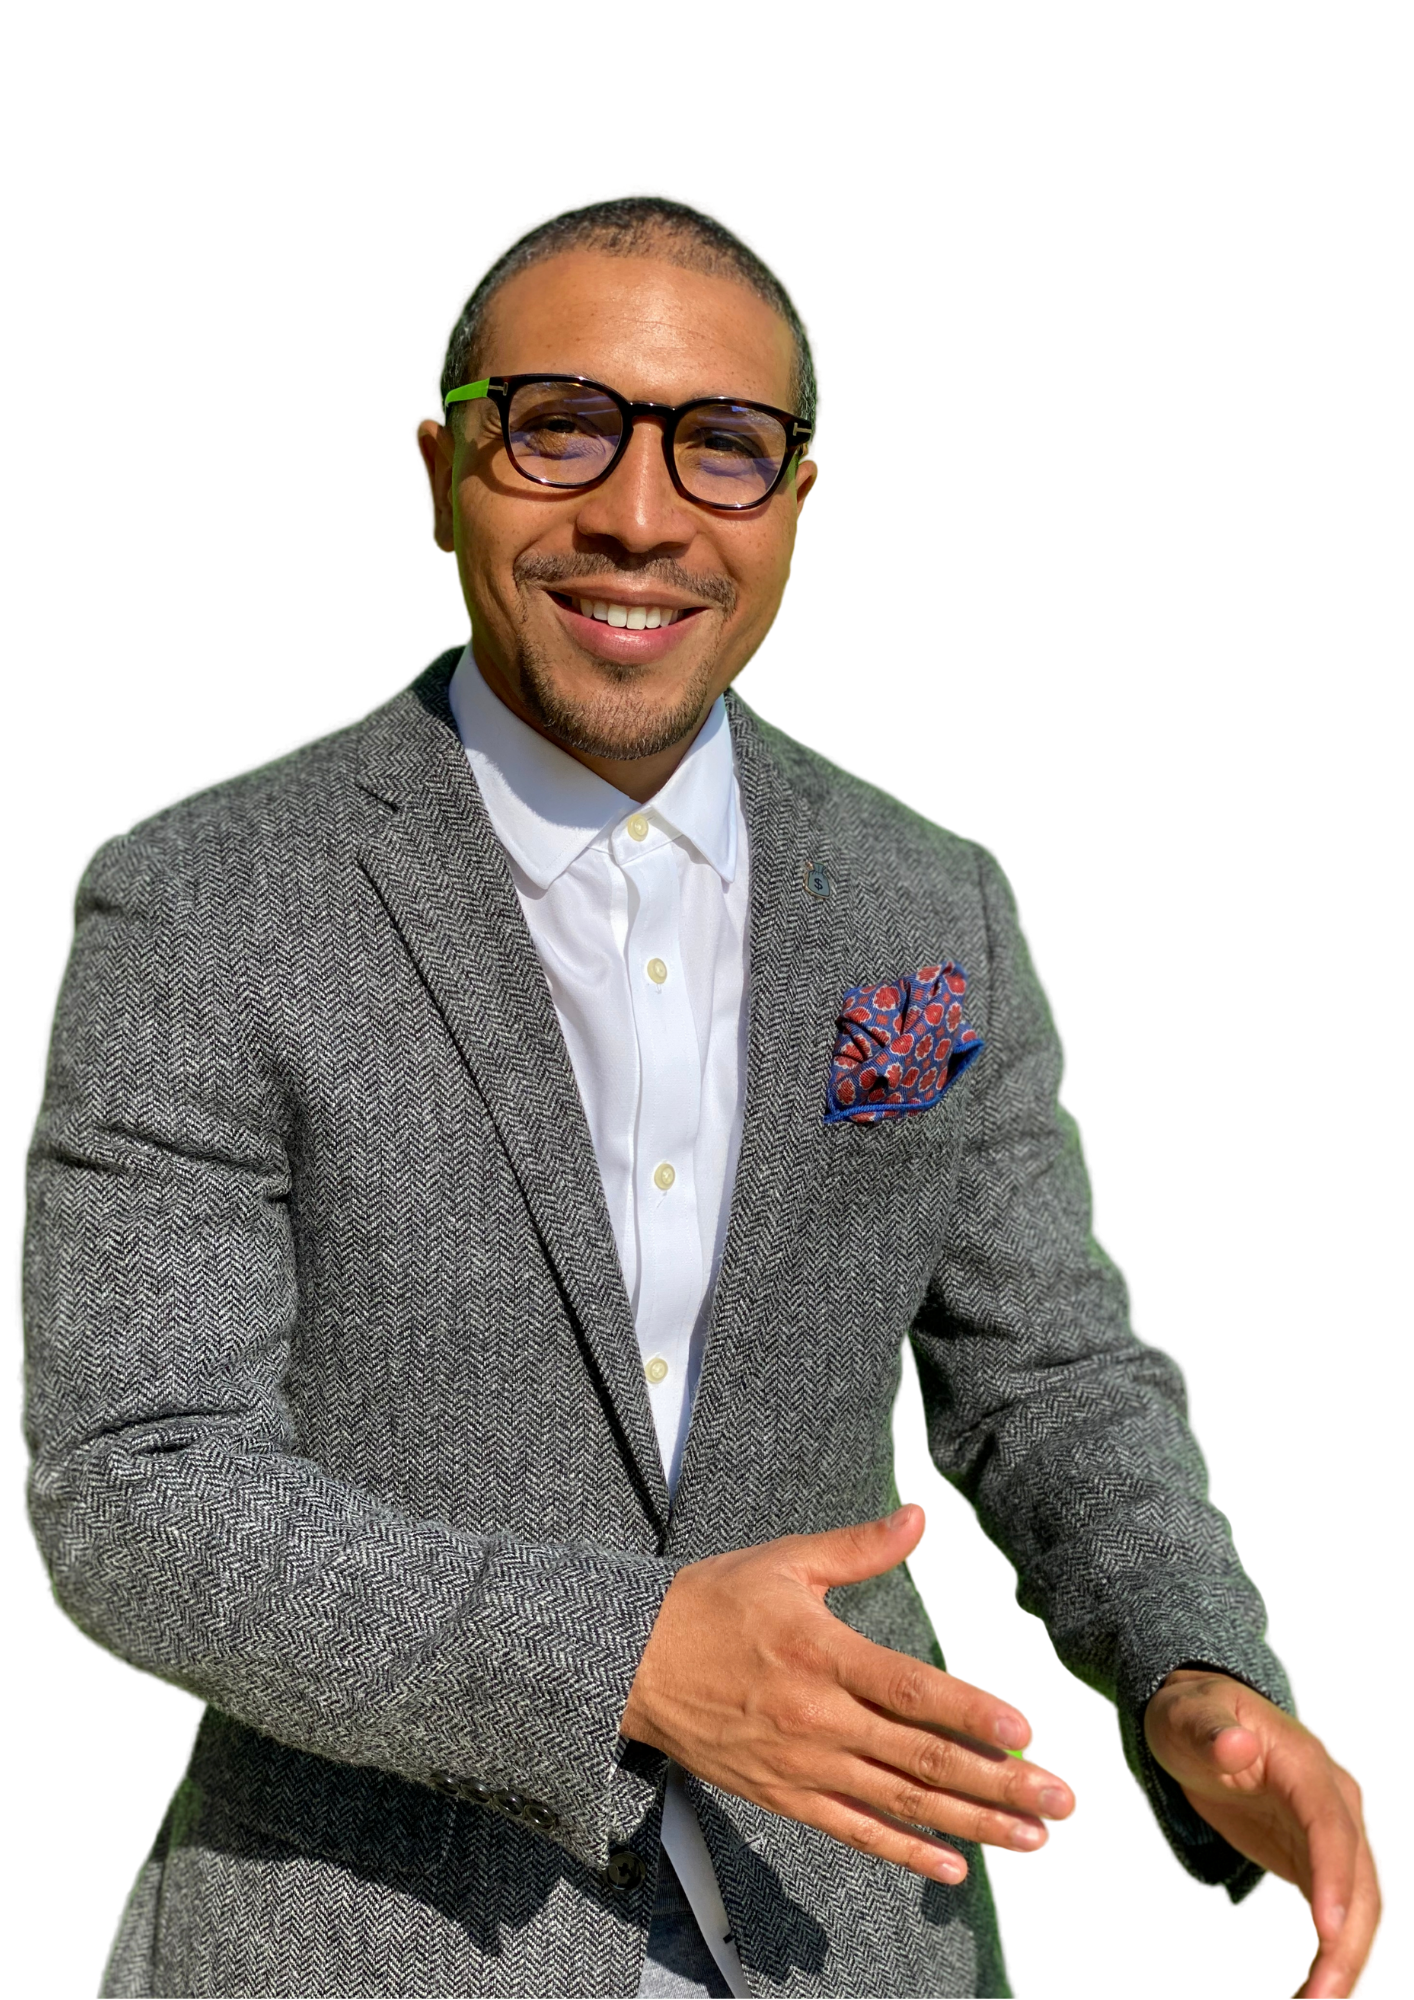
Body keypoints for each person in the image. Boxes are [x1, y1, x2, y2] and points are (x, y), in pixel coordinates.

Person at [18, 186, 1384, 1999]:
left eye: (721, 444)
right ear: (436, 471)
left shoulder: (933, 899)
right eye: (558, 425)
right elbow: (135, 1492)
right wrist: (623, 1659)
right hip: (361, 1946)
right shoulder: (198, 900)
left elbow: (1049, 1378)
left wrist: (1193, 1668)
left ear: (797, 497)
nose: (641, 514)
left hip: (862, 1941)